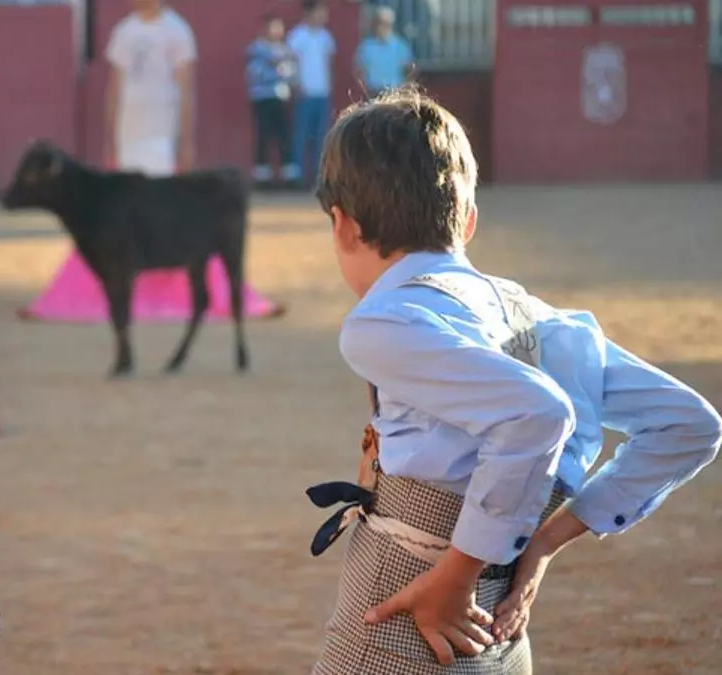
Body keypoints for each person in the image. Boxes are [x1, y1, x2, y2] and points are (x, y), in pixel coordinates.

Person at [307, 87, 721, 674]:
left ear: (343, 227)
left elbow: (536, 413)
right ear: (469, 220)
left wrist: (456, 575)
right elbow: (690, 425)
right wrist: (543, 543)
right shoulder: (548, 323)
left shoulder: (380, 321)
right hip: (501, 635)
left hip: (403, 622)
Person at [104, 0, 197, 175]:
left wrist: (186, 142)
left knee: (158, 194)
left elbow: (185, 91)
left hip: (162, 132)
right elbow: (114, 89)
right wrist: (110, 137)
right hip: (128, 131)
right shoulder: (124, 31)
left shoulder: (177, 30)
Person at [245, 14, 298, 187]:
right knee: (264, 136)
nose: (276, 31)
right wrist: (274, 69)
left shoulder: (285, 49)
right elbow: (255, 74)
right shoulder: (256, 49)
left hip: (281, 97)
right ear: (265, 29)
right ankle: (263, 177)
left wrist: (279, 70)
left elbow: (290, 74)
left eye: (279, 27)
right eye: (273, 27)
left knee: (284, 135)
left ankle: (288, 176)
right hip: (262, 97)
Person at [287, 0, 336, 187]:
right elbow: (291, 64)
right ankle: (298, 176)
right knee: (301, 134)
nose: (323, 16)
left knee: (321, 135)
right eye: (319, 12)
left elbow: (329, 64)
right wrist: (295, 85)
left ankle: (318, 174)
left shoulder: (326, 37)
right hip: (305, 92)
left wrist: (329, 85)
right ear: (308, 13)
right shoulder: (296, 36)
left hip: (322, 92)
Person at [353, 6, 414, 98]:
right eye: (380, 23)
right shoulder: (366, 46)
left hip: (394, 92)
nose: (382, 27)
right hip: (373, 92)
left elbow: (410, 69)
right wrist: (365, 89)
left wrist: (404, 89)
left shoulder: (400, 46)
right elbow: (358, 70)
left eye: (386, 24)